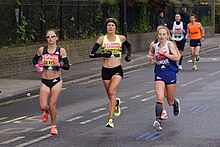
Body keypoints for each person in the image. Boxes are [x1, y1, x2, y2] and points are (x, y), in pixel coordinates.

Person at [89, 18, 131, 128]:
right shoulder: (102, 39)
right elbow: (91, 54)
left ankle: (111, 119)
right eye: (108, 25)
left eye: (113, 25)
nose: (110, 27)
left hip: (117, 69)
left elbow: (129, 46)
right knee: (110, 94)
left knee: (112, 91)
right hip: (105, 70)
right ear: (106, 27)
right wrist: (103, 54)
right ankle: (116, 103)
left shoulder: (121, 38)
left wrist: (128, 55)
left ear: (116, 28)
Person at [32, 29, 70, 135]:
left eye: (52, 36)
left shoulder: (61, 51)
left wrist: (60, 64)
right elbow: (34, 60)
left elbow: (67, 66)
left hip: (56, 81)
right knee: (43, 106)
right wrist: (36, 66)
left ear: (57, 38)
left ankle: (53, 126)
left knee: (52, 105)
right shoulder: (42, 50)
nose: (50, 39)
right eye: (48, 37)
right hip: (45, 81)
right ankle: (46, 111)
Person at [147, 26, 180, 131]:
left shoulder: (169, 44)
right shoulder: (154, 44)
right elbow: (151, 52)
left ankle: (175, 103)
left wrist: (165, 54)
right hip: (159, 73)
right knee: (160, 97)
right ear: (157, 35)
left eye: (163, 34)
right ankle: (158, 120)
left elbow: (176, 57)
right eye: (160, 34)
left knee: (169, 100)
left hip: (170, 72)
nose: (161, 36)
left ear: (167, 35)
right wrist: (150, 57)